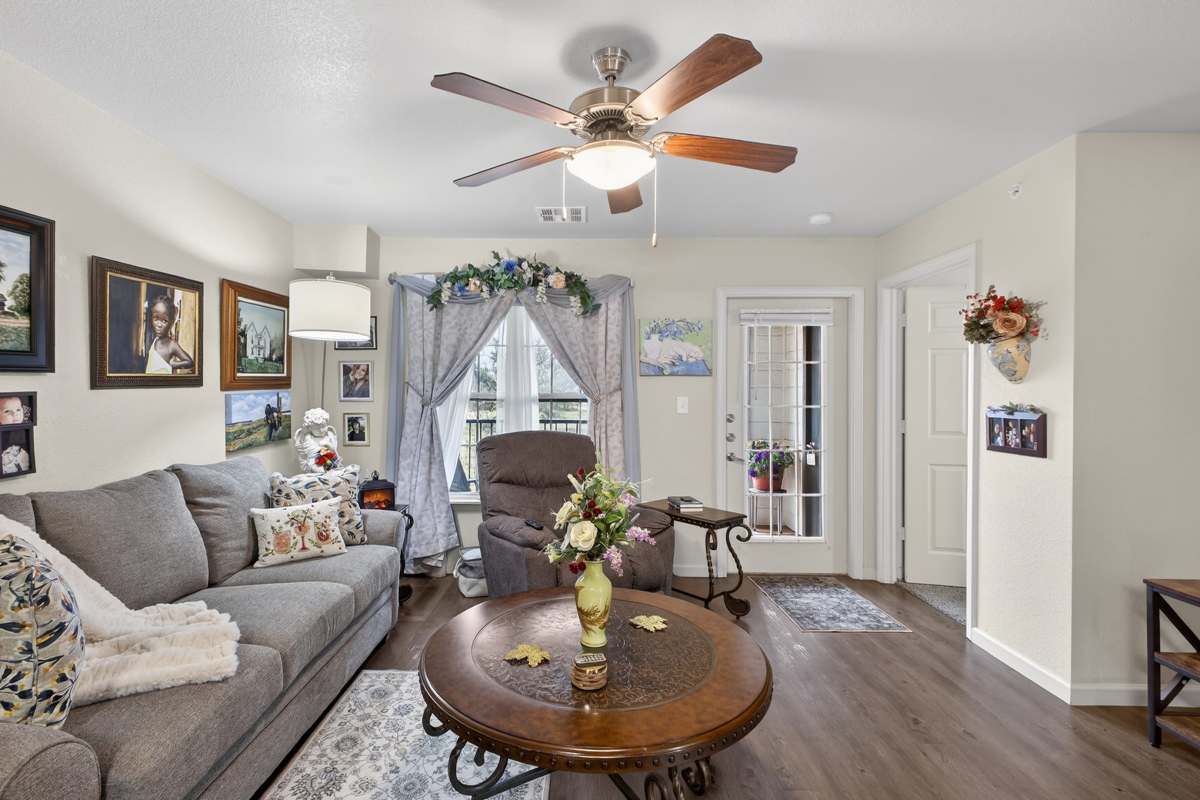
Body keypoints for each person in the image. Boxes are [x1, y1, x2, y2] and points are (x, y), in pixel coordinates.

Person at [145, 294, 194, 375]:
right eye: (156, 319)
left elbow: (189, 362)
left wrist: (173, 364)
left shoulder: (171, 345)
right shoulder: (155, 340)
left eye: (164, 321)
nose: (159, 325)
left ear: (171, 323)